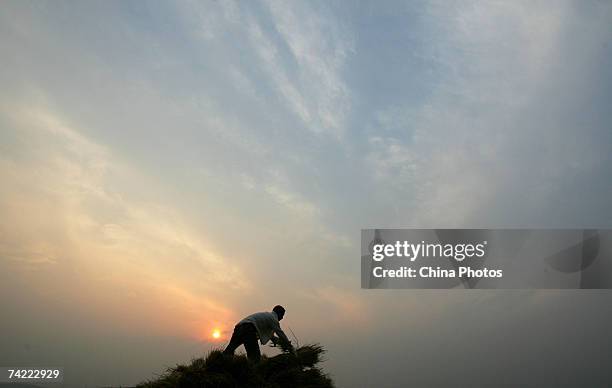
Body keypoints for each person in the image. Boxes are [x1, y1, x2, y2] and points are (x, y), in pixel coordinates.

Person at [223, 305, 294, 362]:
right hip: (248, 329)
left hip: (239, 327)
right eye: (282, 315)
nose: (282, 318)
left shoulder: (267, 316)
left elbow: (272, 337)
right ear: (279, 313)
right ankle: (252, 375)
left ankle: (222, 363)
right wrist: (289, 345)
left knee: (230, 350)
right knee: (255, 357)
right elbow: (280, 333)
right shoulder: (273, 318)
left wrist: (281, 343)